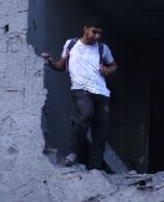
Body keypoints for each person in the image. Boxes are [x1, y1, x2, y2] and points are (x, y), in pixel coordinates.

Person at [42, 16, 118, 170]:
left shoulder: (103, 48)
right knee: (88, 113)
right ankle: (73, 152)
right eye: (94, 32)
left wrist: (107, 71)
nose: (97, 36)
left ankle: (95, 170)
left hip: (102, 93)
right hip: (81, 89)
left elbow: (114, 66)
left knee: (100, 134)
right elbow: (61, 66)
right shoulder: (71, 44)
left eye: (99, 34)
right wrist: (51, 62)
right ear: (85, 29)